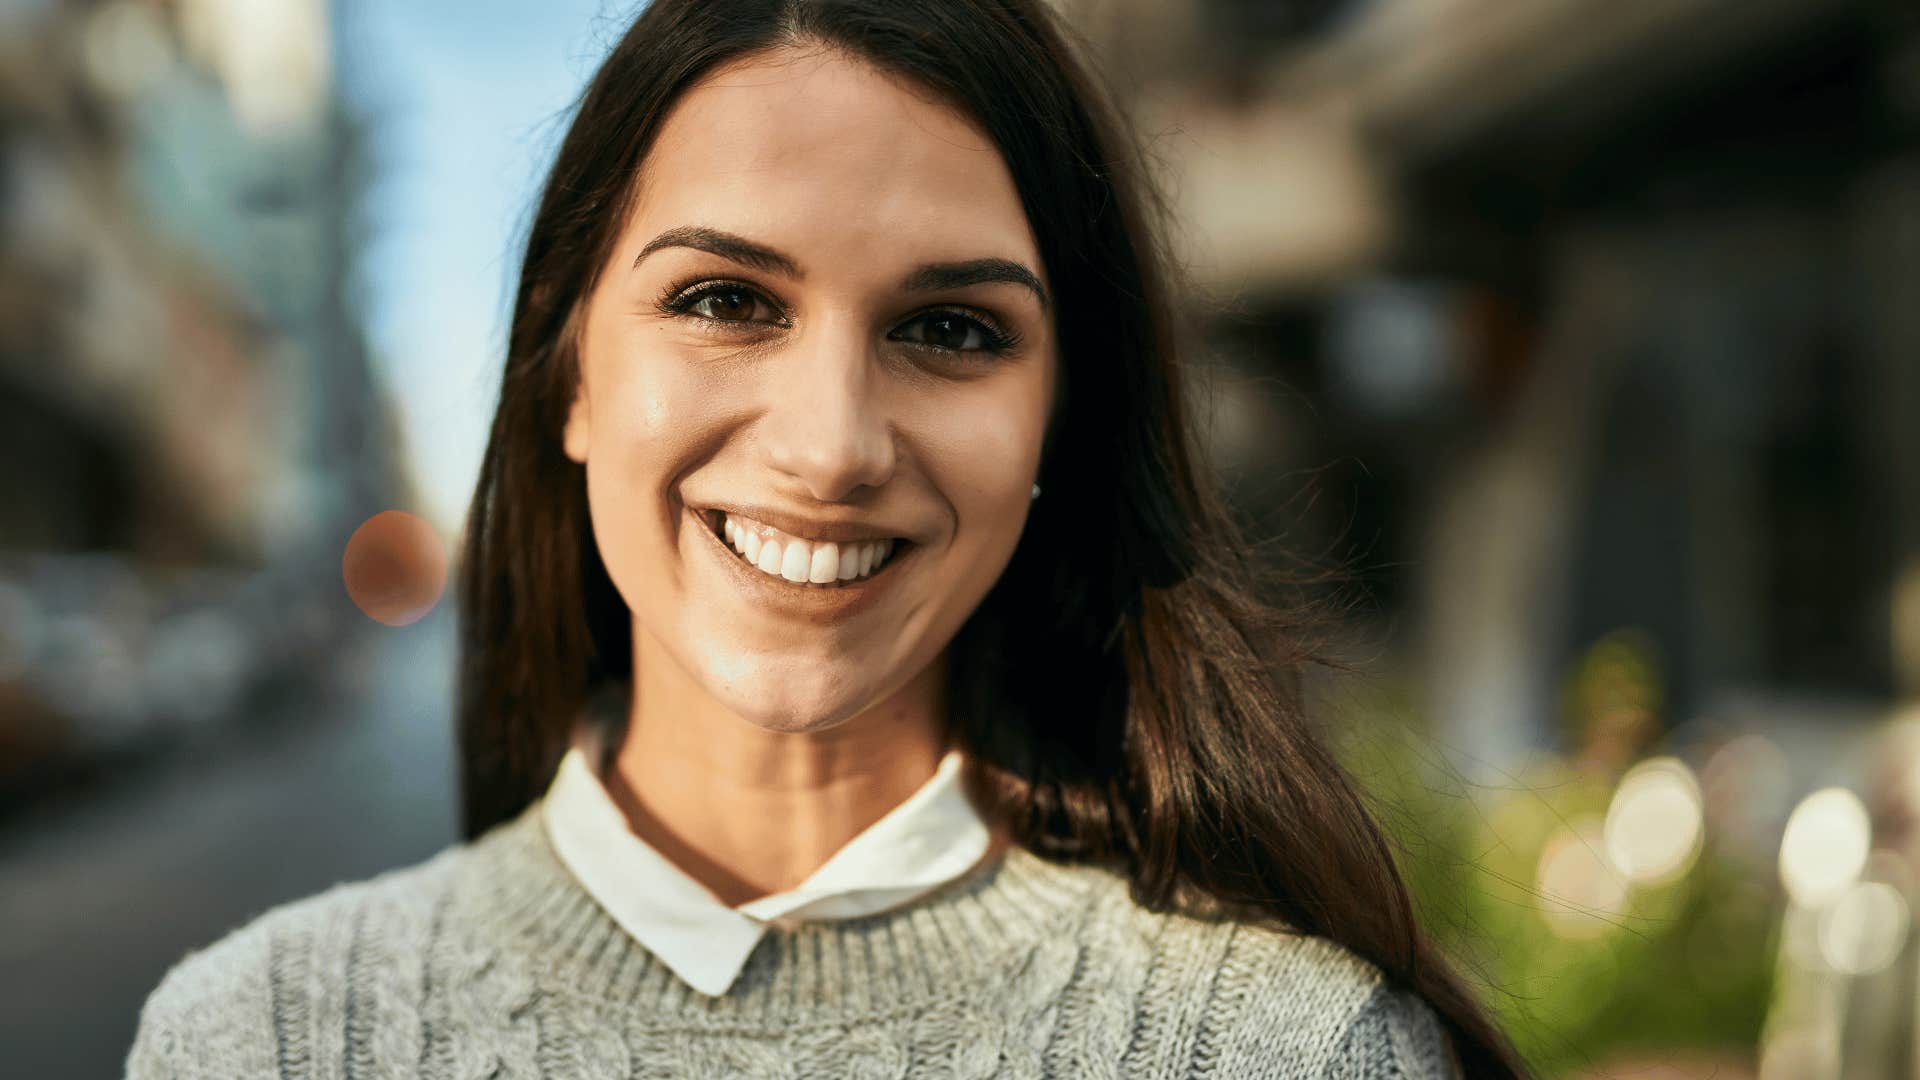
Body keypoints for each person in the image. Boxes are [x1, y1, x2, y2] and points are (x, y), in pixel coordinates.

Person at [126, 0, 1531, 1075]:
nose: (832, 445)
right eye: (726, 301)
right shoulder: (265, 1039)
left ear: (1061, 420)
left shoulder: (1292, 1052)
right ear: (570, 375)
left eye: (951, 329)